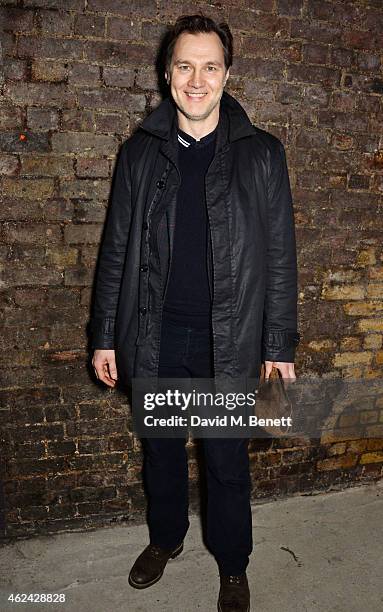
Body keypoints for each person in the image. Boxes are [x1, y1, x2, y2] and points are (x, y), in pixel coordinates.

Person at [91, 14, 300, 612]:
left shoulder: (261, 154)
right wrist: (106, 333)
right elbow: (116, 251)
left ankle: (233, 566)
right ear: (167, 72)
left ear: (227, 74)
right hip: (158, 335)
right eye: (185, 65)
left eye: (210, 66)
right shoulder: (139, 154)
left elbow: (281, 257)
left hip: (228, 344)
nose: (197, 79)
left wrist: (277, 346)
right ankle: (165, 540)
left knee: (226, 461)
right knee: (158, 450)